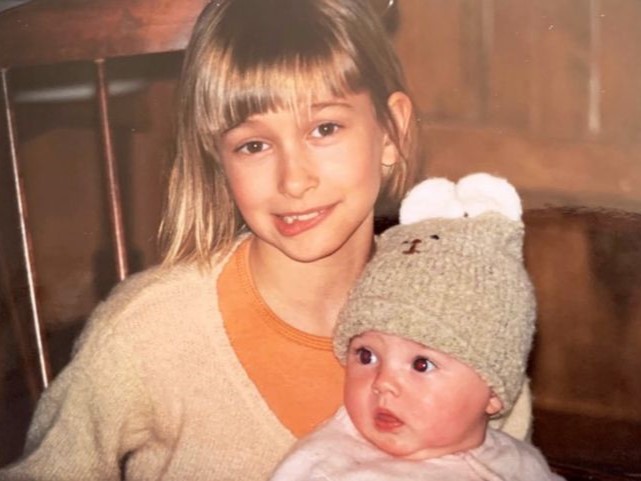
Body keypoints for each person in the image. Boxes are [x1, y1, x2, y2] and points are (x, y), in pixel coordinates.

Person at [0, 0, 530, 479]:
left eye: (324, 128)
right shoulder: (150, 330)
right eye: (253, 145)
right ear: (219, 160)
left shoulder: (466, 322)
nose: (293, 181)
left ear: (390, 132)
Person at [270, 173, 563, 481]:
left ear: (492, 393)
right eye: (366, 356)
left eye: (421, 364)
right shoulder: (326, 466)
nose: (383, 383)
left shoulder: (522, 465)